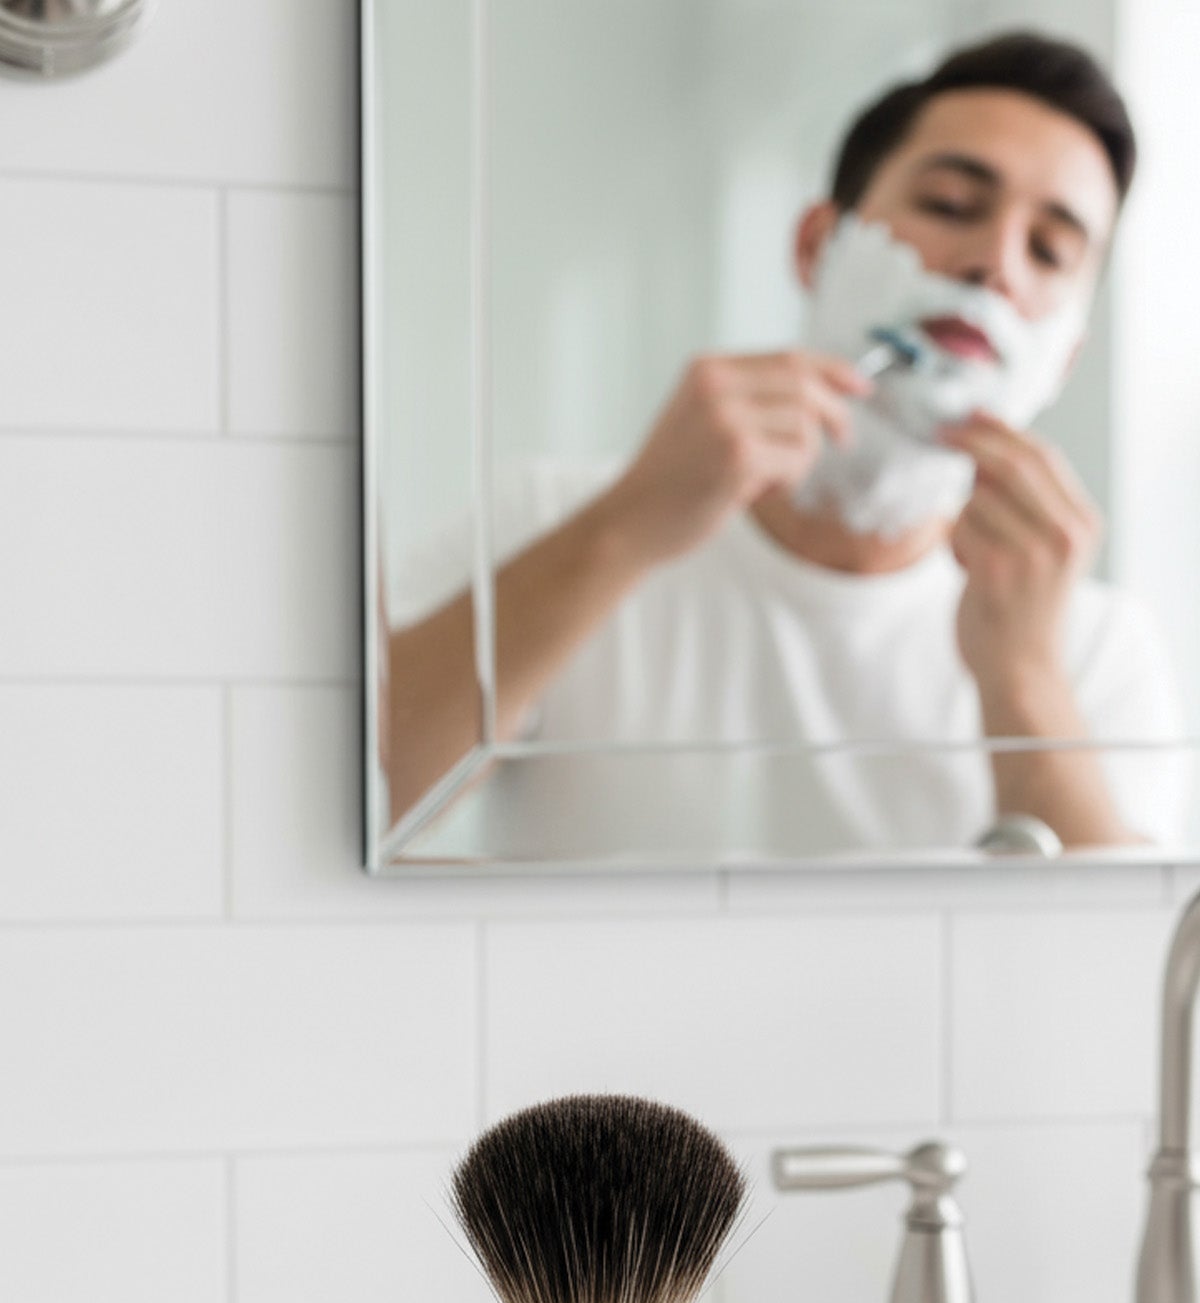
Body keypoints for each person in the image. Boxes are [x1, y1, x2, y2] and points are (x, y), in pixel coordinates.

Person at [380, 30, 1186, 851]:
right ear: (816, 246)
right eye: (950, 205)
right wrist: (625, 526)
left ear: (1066, 358)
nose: (996, 266)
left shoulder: (1094, 649)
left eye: (1049, 250)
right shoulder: (551, 517)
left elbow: (1117, 966)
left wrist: (1023, 677)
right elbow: (355, 804)